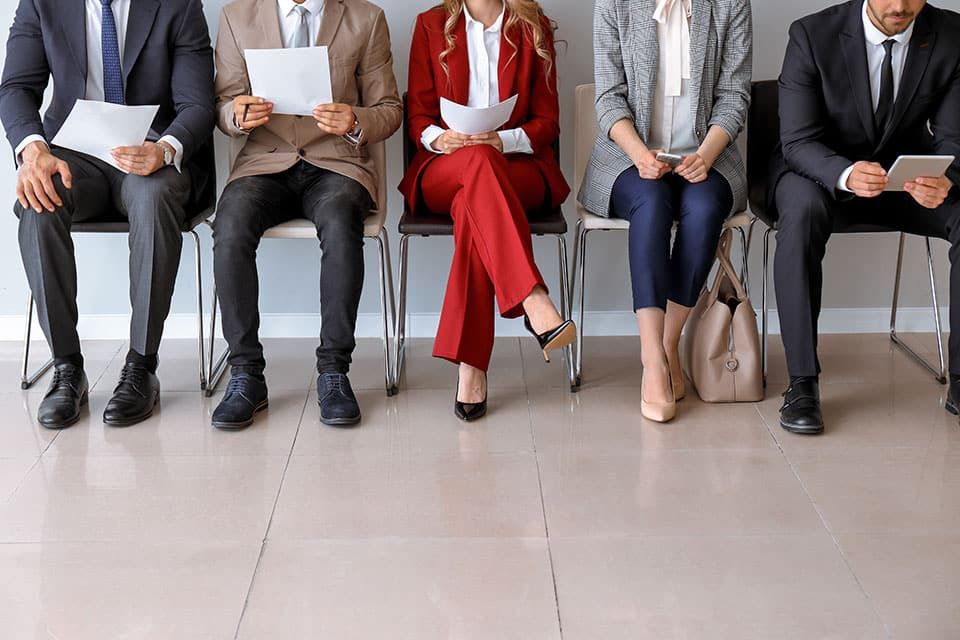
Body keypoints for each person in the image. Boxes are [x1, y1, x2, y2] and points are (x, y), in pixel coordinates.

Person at [0, 0, 216, 429]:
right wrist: (34, 149)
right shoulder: (41, 3)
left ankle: (140, 365)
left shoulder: (179, 4)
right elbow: (16, 88)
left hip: (151, 153)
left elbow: (197, 104)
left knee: (153, 199)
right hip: (74, 156)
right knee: (40, 200)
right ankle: (66, 367)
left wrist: (165, 148)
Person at [772, 0, 960, 435]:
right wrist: (845, 173)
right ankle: (802, 383)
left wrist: (944, 177)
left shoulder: (951, 35)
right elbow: (797, 141)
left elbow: (954, 138)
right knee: (800, 215)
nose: (899, 6)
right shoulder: (810, 34)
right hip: (818, 171)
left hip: (901, 177)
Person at [211, 0, 402, 429]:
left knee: (340, 221)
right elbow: (222, 104)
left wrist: (355, 120)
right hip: (265, 161)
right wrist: (237, 114)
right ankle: (245, 373)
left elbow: (389, 109)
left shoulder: (365, 18)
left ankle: (333, 372)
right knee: (230, 223)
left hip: (337, 163)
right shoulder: (236, 16)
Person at [399, 0, 574, 421]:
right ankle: (532, 298)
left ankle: (472, 366)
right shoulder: (430, 25)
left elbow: (547, 122)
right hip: (446, 166)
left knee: (476, 202)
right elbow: (418, 114)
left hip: (520, 168)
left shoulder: (534, 26)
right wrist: (441, 140)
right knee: (477, 170)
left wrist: (503, 140)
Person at [579, 0, 752, 422]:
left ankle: (666, 344)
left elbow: (734, 96)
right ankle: (653, 360)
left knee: (706, 207)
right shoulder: (614, 4)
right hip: (627, 157)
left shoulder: (731, 5)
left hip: (706, 155)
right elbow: (608, 97)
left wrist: (707, 156)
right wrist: (640, 155)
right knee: (652, 204)